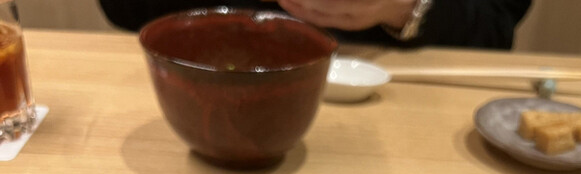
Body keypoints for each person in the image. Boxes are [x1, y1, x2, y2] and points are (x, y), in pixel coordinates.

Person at [98, 0, 532, 49]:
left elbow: (496, 27)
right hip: (198, 74)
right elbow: (123, 8)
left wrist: (407, 9)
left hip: (403, 87)